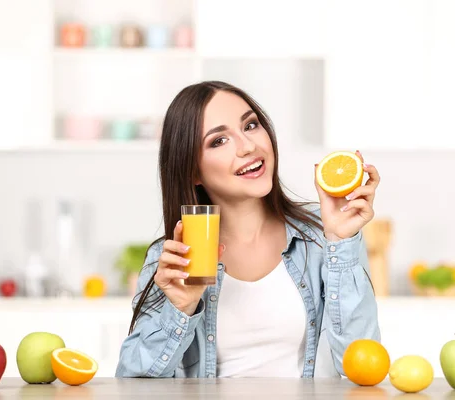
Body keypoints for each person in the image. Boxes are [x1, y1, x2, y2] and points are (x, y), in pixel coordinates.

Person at [115, 81, 381, 379]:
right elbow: (132, 383)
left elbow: (362, 365)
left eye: (251, 125)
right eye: (219, 141)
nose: (248, 146)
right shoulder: (173, 260)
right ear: (192, 171)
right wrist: (180, 308)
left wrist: (341, 243)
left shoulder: (323, 237)